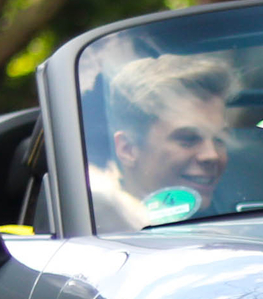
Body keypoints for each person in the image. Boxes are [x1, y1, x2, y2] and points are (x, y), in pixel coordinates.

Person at [91, 53, 237, 229]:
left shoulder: (233, 223)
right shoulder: (97, 233)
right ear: (127, 149)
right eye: (188, 139)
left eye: (220, 139)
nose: (212, 155)